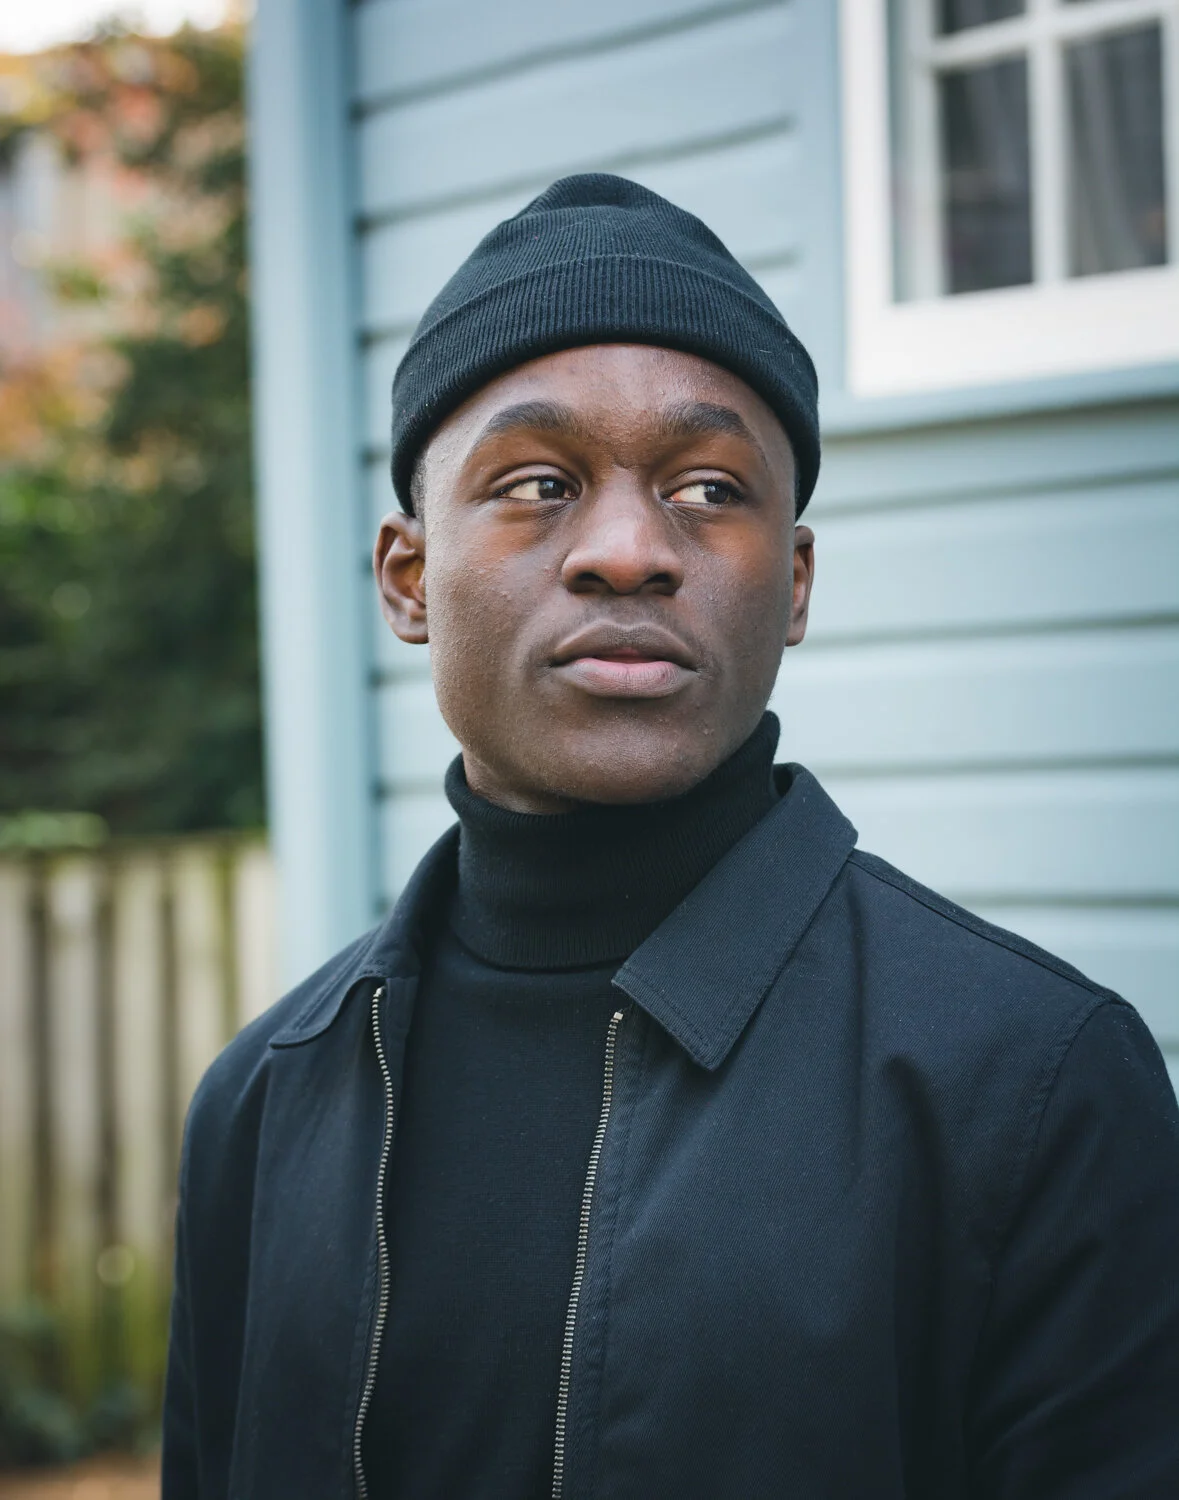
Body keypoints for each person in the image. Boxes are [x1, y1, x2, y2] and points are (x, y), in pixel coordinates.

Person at [162, 175, 1179, 1500]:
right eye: (537, 482)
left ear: (794, 582)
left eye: (707, 488)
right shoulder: (265, 1102)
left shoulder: (1030, 1085)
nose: (630, 550)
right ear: (410, 579)